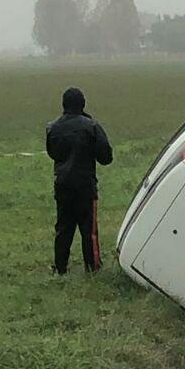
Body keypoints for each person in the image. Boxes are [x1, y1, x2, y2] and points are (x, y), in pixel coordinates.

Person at [46, 87, 113, 274]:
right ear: (82, 104)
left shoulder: (52, 127)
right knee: (88, 229)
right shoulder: (91, 126)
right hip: (85, 185)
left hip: (62, 184)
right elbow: (106, 157)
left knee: (63, 228)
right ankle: (92, 267)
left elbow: (53, 153)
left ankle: (60, 268)